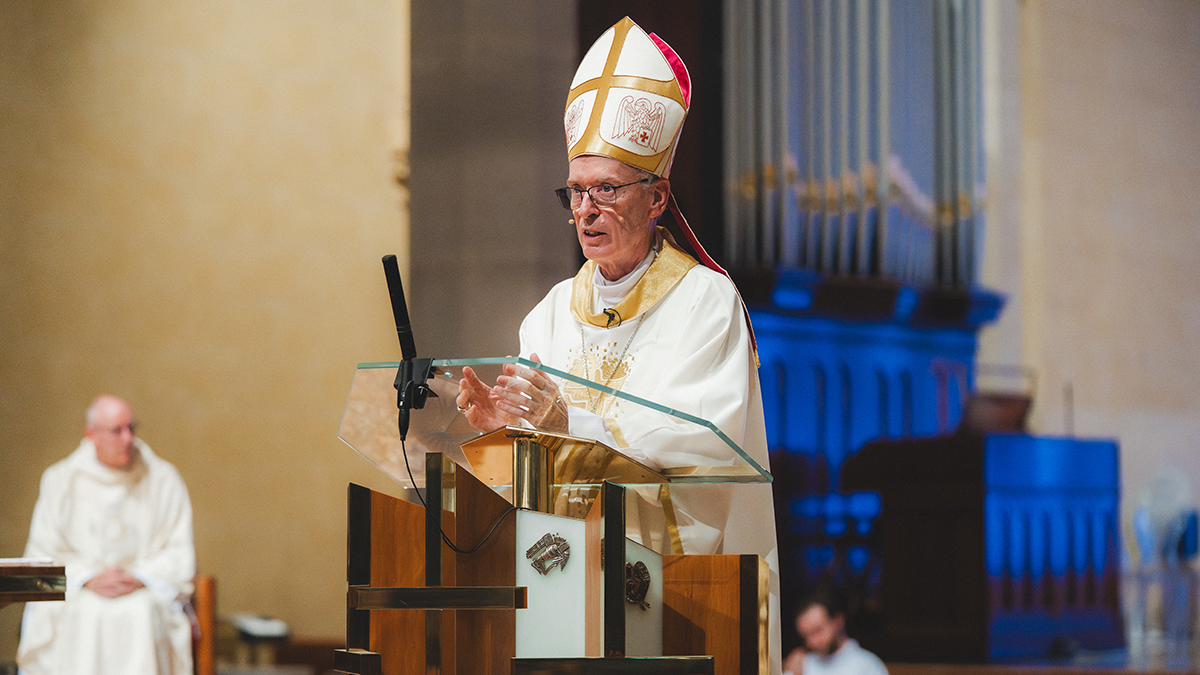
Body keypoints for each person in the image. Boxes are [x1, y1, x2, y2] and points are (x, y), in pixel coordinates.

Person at [455, 16, 780, 673]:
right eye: (576, 192)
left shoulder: (705, 304)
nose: (587, 210)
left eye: (607, 189)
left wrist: (566, 420)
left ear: (658, 195)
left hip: (680, 601)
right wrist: (500, 435)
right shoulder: (547, 315)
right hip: (558, 591)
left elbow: (699, 449)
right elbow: (535, 475)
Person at [17, 395, 196, 675]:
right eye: (117, 430)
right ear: (91, 434)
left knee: (140, 612)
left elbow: (179, 555)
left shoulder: (163, 479)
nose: (128, 439)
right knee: (86, 612)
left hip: (142, 592)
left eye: (132, 428)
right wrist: (88, 578)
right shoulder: (61, 480)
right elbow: (41, 559)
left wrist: (139, 577)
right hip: (79, 593)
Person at [785, 587, 887, 675]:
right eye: (805, 636)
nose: (813, 642)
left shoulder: (867, 665)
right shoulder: (800, 664)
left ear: (838, 620)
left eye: (817, 630)